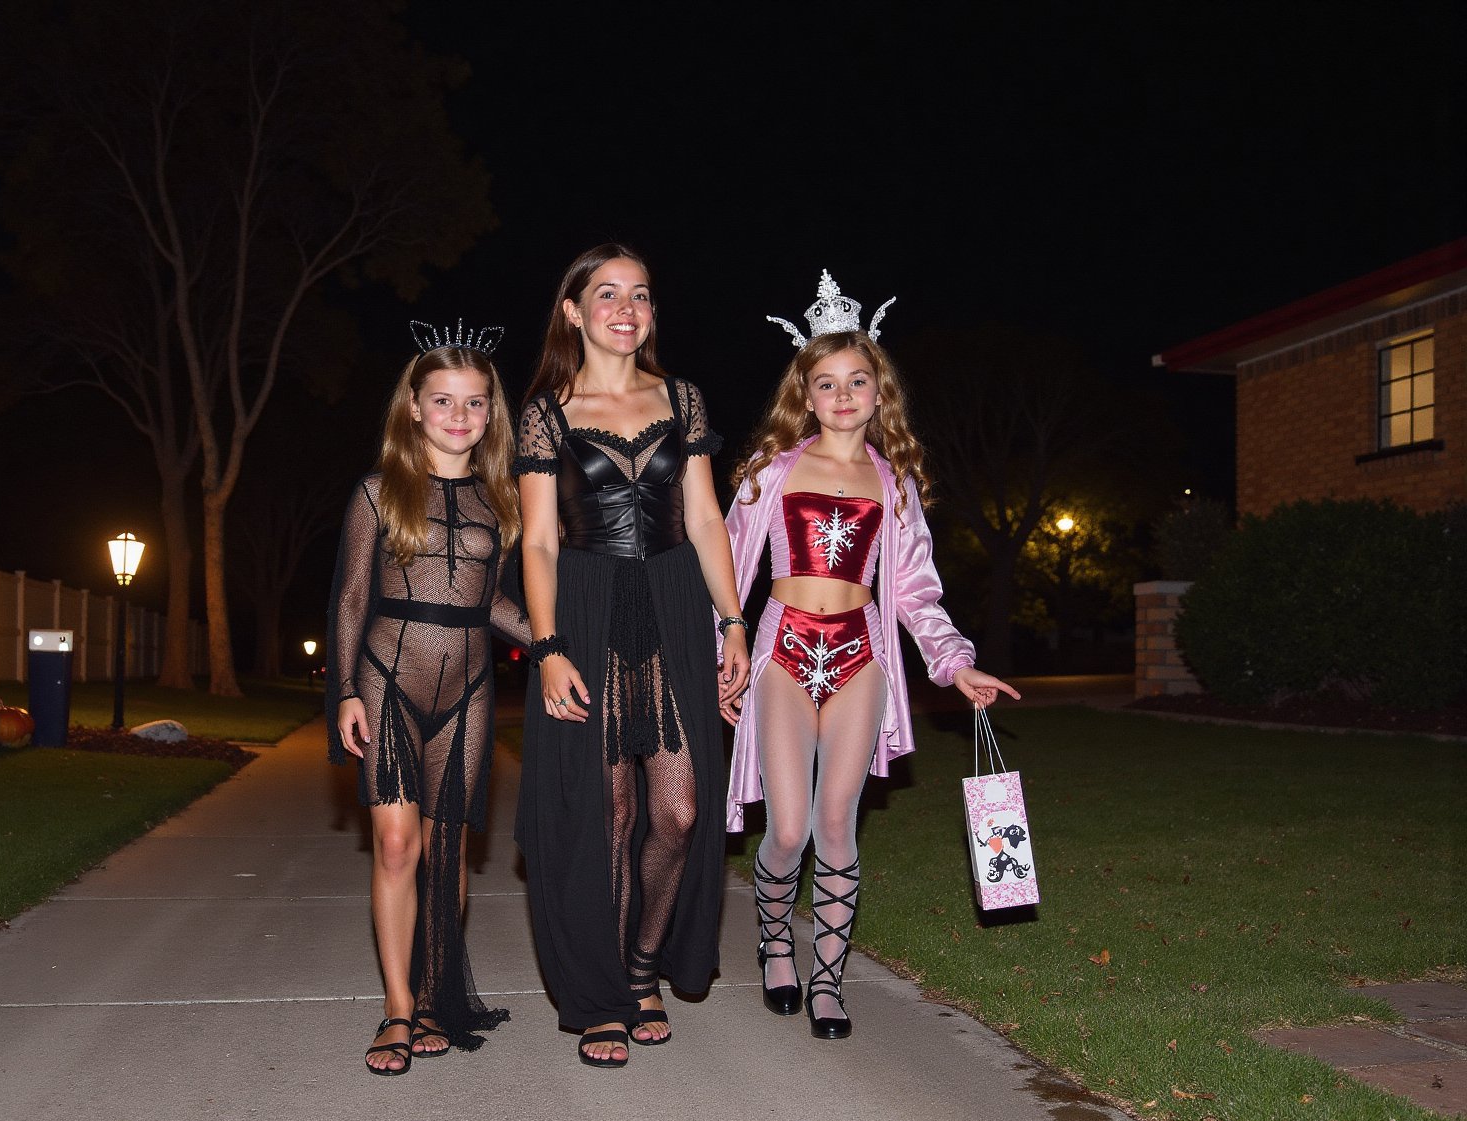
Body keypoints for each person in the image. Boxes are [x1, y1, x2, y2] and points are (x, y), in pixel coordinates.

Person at [724, 271, 1018, 1039]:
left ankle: (828, 979)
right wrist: (716, 652)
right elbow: (722, 571)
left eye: (858, 380)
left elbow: (917, 591)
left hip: (861, 658)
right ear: (806, 394)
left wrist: (956, 663)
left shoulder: (894, 484)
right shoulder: (771, 472)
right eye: (827, 382)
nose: (844, 394)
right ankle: (772, 942)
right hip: (785, 650)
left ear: (878, 391)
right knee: (786, 830)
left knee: (836, 824)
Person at [514, 244, 750, 1067]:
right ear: (573, 311)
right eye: (606, 293)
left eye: (641, 294)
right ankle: (607, 992)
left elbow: (706, 520)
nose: (626, 307)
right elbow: (539, 541)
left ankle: (644, 960)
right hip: (586, 609)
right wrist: (545, 645)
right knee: (608, 815)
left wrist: (734, 622)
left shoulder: (681, 398)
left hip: (676, 605)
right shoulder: (546, 410)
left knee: (680, 812)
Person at [327, 321, 531, 1076]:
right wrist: (344, 690)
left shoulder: (501, 500)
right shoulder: (380, 492)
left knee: (447, 854)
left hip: (469, 686)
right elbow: (351, 599)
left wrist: (551, 641)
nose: (458, 416)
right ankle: (397, 1010)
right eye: (442, 400)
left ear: (490, 414)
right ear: (413, 407)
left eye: (474, 404)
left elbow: (494, 605)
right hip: (387, 679)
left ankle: (439, 996)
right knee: (395, 844)